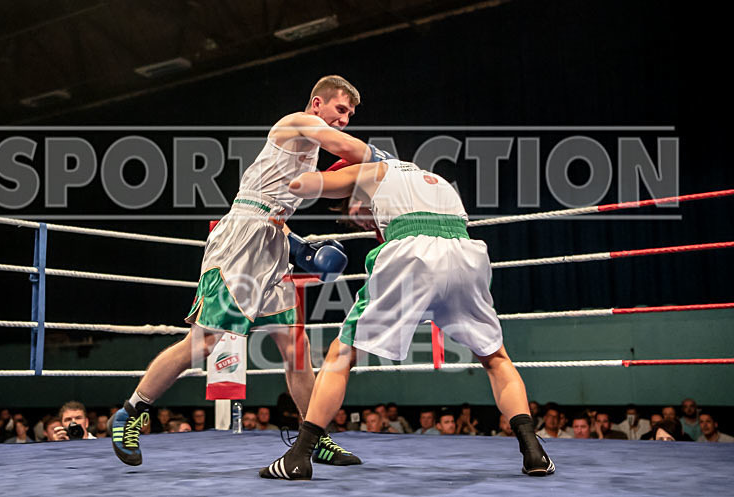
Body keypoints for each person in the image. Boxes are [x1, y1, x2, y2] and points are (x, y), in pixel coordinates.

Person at [111, 75, 380, 468]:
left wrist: (301, 247)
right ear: (318, 103)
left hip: (271, 242)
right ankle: (130, 412)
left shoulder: (309, 150)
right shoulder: (297, 123)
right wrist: (386, 163)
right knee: (204, 342)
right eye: (342, 110)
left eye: (351, 115)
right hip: (240, 241)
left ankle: (313, 436)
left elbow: (274, 212)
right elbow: (343, 148)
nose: (345, 119)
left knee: (295, 348)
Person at [259, 157, 554, 479]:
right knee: (496, 358)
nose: (354, 217)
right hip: (466, 255)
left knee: (341, 354)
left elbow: (303, 184)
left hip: (413, 254)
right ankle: (534, 452)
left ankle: (299, 457)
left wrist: (273, 198)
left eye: (349, 206)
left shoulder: (369, 172)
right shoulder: (431, 180)